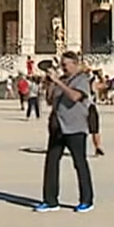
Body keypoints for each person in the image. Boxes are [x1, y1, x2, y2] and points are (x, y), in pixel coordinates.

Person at [35, 52, 95, 213]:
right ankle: (50, 200)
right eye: (62, 65)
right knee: (51, 163)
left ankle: (86, 200)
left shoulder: (82, 79)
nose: (63, 68)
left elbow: (75, 96)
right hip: (58, 127)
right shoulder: (62, 80)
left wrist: (58, 82)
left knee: (79, 163)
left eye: (65, 65)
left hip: (75, 127)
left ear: (75, 63)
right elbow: (50, 100)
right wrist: (50, 84)